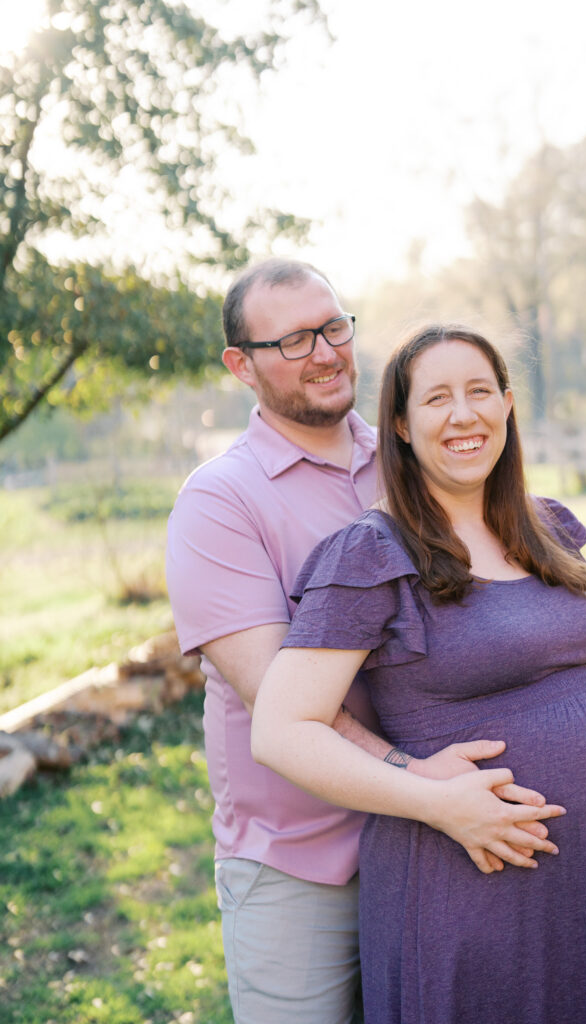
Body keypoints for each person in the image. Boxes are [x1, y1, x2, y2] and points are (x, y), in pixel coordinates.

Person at [166, 264, 564, 1024]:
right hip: (305, 860)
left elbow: (522, 599)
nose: (324, 352)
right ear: (240, 365)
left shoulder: (412, 455)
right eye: (291, 340)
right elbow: (275, 698)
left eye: (333, 326)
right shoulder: (219, 502)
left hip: (439, 848)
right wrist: (423, 782)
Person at [250, 323, 586, 1024]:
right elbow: (281, 728)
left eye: (479, 391)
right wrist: (436, 802)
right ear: (400, 425)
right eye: (436, 398)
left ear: (507, 405)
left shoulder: (547, 528)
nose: (462, 414)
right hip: (466, 884)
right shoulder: (370, 552)